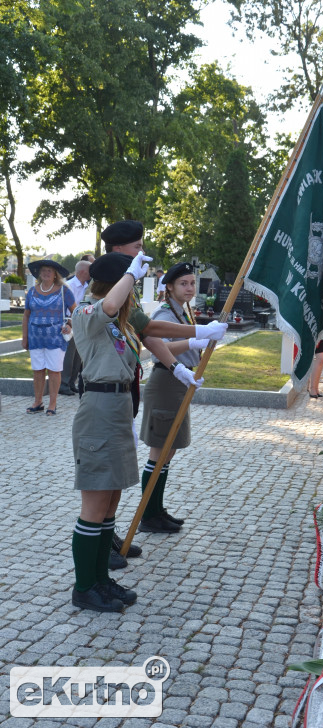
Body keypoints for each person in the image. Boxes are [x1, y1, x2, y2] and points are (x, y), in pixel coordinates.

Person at [100, 221, 227, 562]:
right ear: (119, 250)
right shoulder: (103, 293)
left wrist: (178, 365)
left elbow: (144, 331)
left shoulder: (124, 292)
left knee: (116, 477)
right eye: (136, 247)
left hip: (123, 392)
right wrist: (197, 333)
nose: (142, 253)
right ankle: (102, 545)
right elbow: (150, 327)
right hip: (102, 394)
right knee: (105, 478)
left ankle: (109, 537)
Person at [71, 251, 154, 612]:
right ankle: (84, 586)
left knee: (108, 504)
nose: (132, 297)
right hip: (99, 411)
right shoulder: (86, 312)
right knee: (94, 504)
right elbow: (110, 304)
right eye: (129, 285)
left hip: (119, 409)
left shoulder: (118, 324)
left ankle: (102, 579)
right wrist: (131, 275)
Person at [138, 262, 206, 533]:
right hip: (166, 381)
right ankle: (148, 516)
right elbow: (160, 346)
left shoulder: (183, 310)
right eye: (183, 284)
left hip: (178, 382)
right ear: (169, 287)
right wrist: (194, 341)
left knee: (169, 451)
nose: (190, 288)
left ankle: (156, 509)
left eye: (192, 283)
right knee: (159, 452)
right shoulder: (165, 313)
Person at [23, 259, 76, 415]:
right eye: (43, 270)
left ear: (55, 275)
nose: (46, 273)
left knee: (54, 371)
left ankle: (52, 404)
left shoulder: (64, 291)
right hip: (35, 338)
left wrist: (70, 325)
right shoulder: (32, 291)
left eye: (49, 271)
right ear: (39, 273)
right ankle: (38, 402)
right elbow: (26, 316)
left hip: (56, 339)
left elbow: (76, 312)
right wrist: (24, 337)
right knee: (37, 371)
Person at [59, 260, 92, 395]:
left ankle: (72, 383)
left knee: (78, 356)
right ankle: (64, 384)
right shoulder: (69, 286)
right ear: (82, 272)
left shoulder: (86, 286)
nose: (91, 274)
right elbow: (66, 306)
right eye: (90, 271)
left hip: (81, 322)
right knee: (69, 356)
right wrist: (70, 323)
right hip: (70, 323)